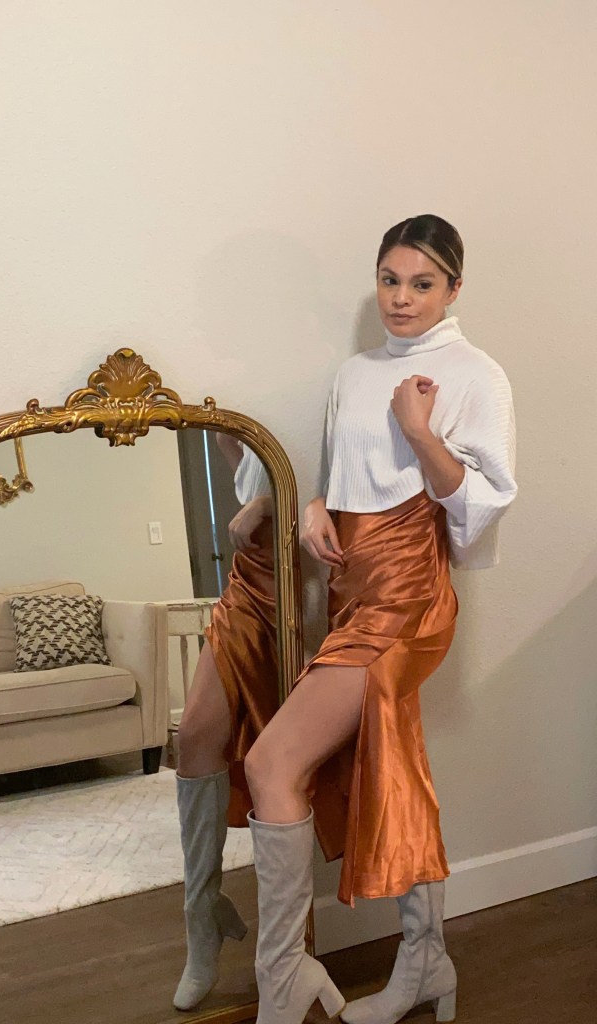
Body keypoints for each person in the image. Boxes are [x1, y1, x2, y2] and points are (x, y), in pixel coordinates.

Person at [242, 214, 517, 1024]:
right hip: (350, 587)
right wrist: (316, 506)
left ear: (454, 288)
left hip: (410, 593)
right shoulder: (354, 371)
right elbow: (342, 472)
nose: (401, 298)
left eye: (422, 283)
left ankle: (284, 980)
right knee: (392, 760)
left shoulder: (476, 373)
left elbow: (484, 500)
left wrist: (420, 432)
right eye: (390, 280)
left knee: (270, 763)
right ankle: (425, 962)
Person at [173, 437, 278, 1012]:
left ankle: (288, 955)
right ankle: (202, 917)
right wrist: (237, 461)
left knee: (283, 760)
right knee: (194, 736)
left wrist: (271, 503)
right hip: (248, 584)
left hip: (306, 577)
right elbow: (251, 479)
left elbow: (345, 476)